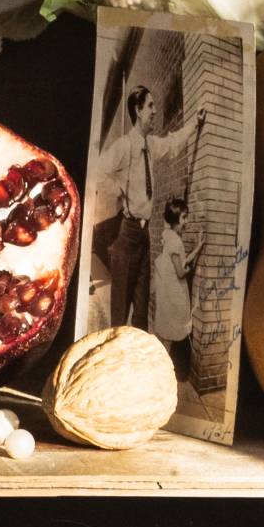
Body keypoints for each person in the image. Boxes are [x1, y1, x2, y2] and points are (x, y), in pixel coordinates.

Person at [96, 87, 207, 328]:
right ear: (138, 110)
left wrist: (194, 124)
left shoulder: (151, 145)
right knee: (120, 310)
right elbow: (99, 171)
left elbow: (173, 141)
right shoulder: (124, 146)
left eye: (155, 106)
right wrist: (118, 194)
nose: (155, 111)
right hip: (127, 234)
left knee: (141, 307)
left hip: (145, 236)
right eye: (150, 106)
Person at [150, 196, 198, 386]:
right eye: (185, 217)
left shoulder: (167, 235)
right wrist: (190, 270)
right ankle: (172, 372)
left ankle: (161, 368)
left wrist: (198, 248)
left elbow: (179, 259)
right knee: (176, 330)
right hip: (175, 291)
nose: (187, 221)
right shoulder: (176, 241)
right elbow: (180, 271)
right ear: (178, 219)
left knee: (169, 332)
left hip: (167, 290)